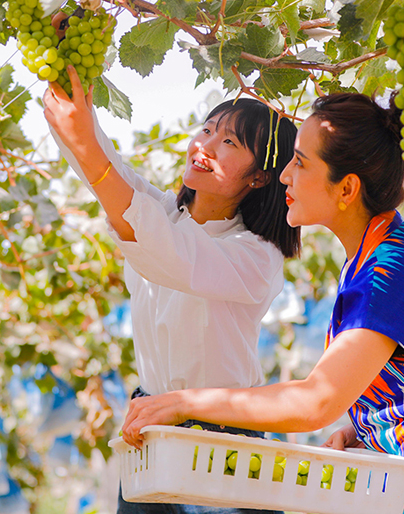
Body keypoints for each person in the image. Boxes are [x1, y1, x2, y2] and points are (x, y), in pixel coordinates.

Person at [121, 92, 404, 514]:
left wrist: (183, 403)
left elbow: (315, 402)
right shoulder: (378, 254)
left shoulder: (388, 274)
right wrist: (370, 428)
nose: (285, 174)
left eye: (300, 162)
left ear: (347, 188)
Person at [43, 67, 300, 514]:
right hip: (149, 432)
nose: (206, 146)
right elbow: (103, 167)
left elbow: (167, 252)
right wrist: (70, 79)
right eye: (207, 130)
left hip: (221, 442)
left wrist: (85, 143)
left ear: (259, 177)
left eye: (230, 142)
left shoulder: (256, 256)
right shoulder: (164, 212)